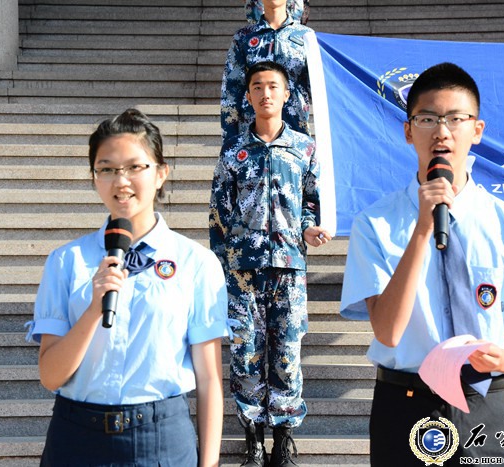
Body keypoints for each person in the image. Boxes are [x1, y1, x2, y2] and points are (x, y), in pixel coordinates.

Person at [339, 63, 504, 466]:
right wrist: (422, 231)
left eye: (455, 119)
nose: (442, 132)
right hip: (406, 404)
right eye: (427, 119)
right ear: (409, 131)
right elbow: (388, 332)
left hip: (487, 404)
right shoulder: (374, 224)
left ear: (476, 130)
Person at [26, 108, 228, 467]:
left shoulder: (197, 262)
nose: (121, 181)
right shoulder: (66, 261)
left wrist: (209, 464)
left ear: (161, 173)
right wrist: (93, 308)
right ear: (94, 178)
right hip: (76, 437)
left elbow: (210, 378)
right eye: (107, 169)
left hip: (161, 437)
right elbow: (51, 375)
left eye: (136, 167)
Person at [210, 61, 331, 467]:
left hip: (289, 268)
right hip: (243, 272)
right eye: (257, 86)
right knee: (246, 353)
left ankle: (282, 439)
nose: (265, 93)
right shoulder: (233, 151)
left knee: (286, 354)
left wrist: (311, 228)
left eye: (273, 86)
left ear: (285, 95)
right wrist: (220, 268)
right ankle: (252, 440)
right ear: (248, 95)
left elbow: (312, 201)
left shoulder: (304, 148)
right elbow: (218, 215)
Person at [222, 0, 313, 146]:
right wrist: (230, 139)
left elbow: (319, 88)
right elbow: (231, 92)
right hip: (252, 136)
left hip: (295, 134)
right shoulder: (244, 38)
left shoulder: (307, 37)